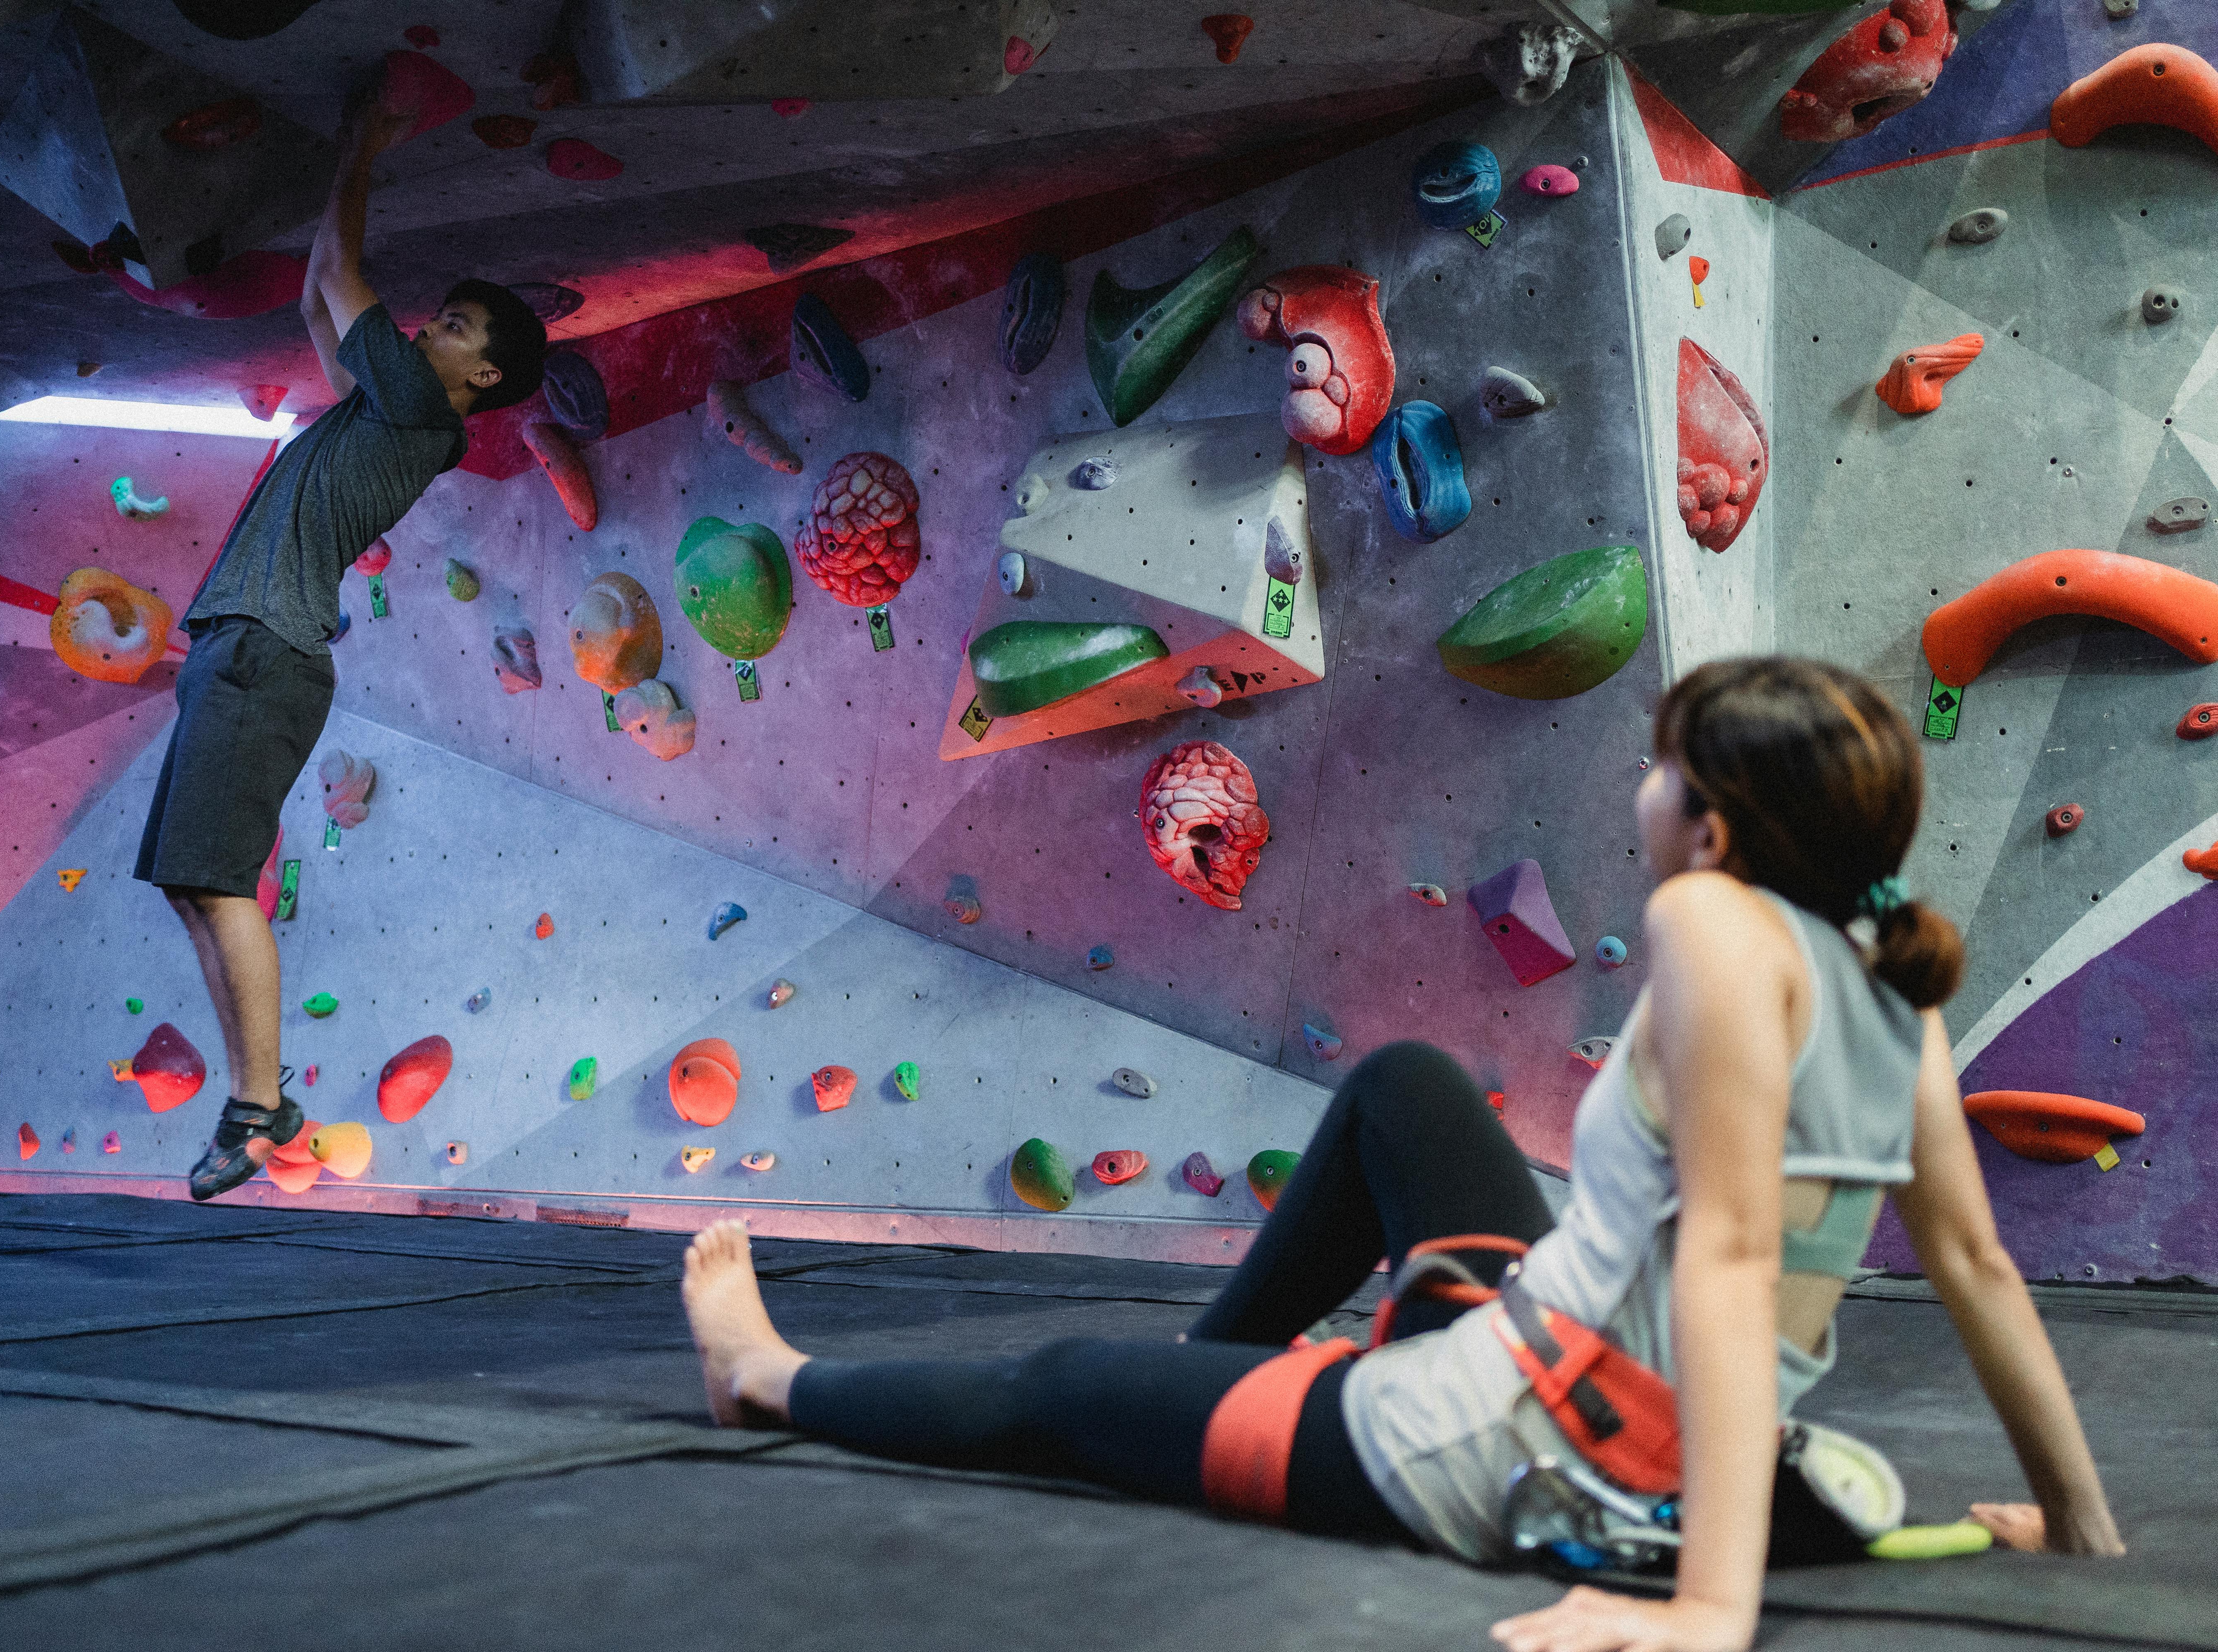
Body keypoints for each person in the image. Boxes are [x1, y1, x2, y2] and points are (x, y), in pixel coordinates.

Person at [679, 656, 2125, 1651]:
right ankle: (1206, 1388)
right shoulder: (1890, 979)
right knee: (1409, 1087)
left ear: (1714, 825)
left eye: (1658, 767)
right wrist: (2076, 1520)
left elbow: (1737, 1260)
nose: (1643, 789)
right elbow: (1977, 1263)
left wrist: (1709, 1613)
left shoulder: (1705, 919)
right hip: (1561, 1369)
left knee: (1054, 1388)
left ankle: (763, 1381)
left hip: (1520, 1443)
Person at [133, 82, 546, 1201]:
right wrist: (341, 173)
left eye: (456, 328)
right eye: (439, 319)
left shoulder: (422, 410)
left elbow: (337, 276)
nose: (431, 327)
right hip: (238, 648)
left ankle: (261, 1105)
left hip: (267, 650)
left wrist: (364, 141)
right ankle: (253, 1096)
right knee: (189, 885)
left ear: (484, 377)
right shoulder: (378, 410)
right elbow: (327, 305)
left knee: (222, 889)